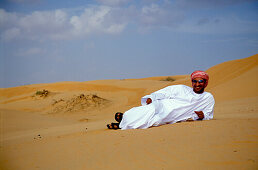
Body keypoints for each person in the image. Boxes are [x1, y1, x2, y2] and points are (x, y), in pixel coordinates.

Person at [107, 70, 215, 130]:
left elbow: (209, 114)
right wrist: (152, 97)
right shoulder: (182, 88)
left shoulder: (208, 98)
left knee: (153, 121)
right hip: (163, 106)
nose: (197, 84)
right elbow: (165, 92)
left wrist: (203, 116)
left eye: (200, 81)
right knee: (147, 110)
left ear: (205, 83)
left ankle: (122, 124)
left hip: (174, 115)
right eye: (194, 81)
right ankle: (125, 119)